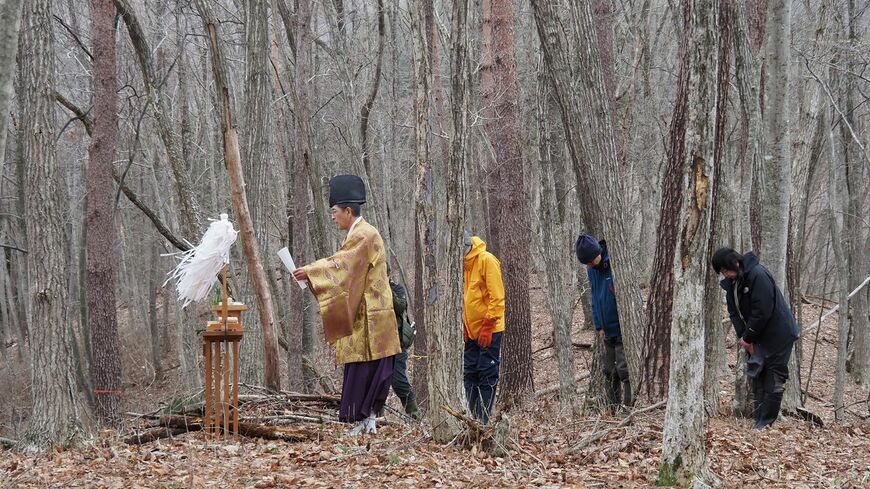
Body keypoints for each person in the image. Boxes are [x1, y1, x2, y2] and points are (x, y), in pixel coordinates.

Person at [293, 175, 401, 435]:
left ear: (348, 211)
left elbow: (341, 263)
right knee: (363, 366)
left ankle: (368, 418)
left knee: (371, 367)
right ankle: (366, 419)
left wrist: (310, 271)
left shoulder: (365, 235)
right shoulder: (360, 233)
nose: (332, 217)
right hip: (366, 314)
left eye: (335, 211)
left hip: (374, 316)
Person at [712, 248, 799, 429]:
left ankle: (766, 423)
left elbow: (762, 311)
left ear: (734, 263)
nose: (725, 275)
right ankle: (758, 420)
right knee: (758, 374)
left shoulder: (758, 275)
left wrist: (749, 336)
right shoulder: (732, 284)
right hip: (756, 336)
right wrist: (745, 339)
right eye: (722, 272)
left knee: (774, 376)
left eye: (725, 270)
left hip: (778, 334)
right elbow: (734, 313)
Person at [575, 233, 631, 411]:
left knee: (624, 370)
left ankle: (628, 408)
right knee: (609, 371)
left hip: (622, 328)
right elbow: (595, 299)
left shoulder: (615, 265)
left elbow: (631, 298)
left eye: (591, 261)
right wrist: (599, 326)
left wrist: (626, 324)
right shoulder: (592, 271)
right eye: (587, 263)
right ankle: (612, 408)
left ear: (598, 253)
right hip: (606, 330)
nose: (590, 265)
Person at [462, 232, 505, 424]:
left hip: (490, 329)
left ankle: (483, 420)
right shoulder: (461, 266)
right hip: (470, 331)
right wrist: (464, 325)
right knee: (470, 373)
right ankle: (473, 418)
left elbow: (497, 297)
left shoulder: (487, 260)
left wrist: (488, 325)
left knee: (487, 373)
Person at [388, 273, 421, 420]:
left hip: (397, 344)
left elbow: (400, 306)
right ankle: (374, 417)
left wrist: (386, 289)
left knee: (399, 381)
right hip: (377, 345)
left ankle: (415, 415)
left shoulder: (397, 289)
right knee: (375, 383)